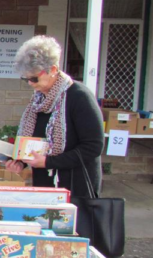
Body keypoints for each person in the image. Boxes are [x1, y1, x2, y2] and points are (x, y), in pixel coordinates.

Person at [6, 36, 104, 196]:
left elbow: (93, 146)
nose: (30, 83)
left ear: (52, 70)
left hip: (75, 185)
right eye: (26, 79)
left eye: (33, 78)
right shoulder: (39, 99)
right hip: (45, 181)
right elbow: (35, 138)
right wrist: (20, 161)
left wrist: (48, 162)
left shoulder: (79, 96)